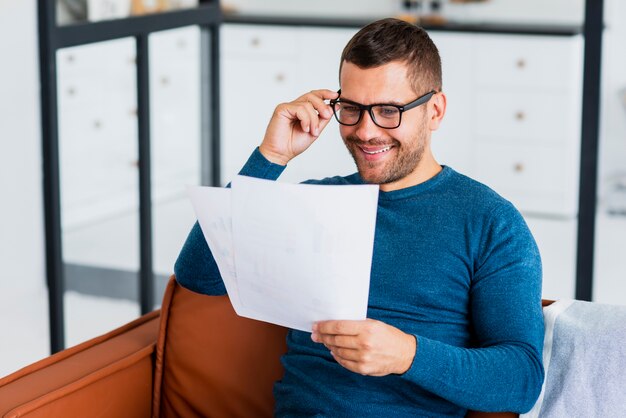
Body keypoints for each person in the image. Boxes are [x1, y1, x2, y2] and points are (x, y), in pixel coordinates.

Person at [174, 18, 544, 417]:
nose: (366, 131)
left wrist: (407, 355)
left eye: (388, 110)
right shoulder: (313, 201)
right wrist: (271, 157)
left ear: (434, 110)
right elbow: (198, 275)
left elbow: (521, 379)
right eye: (351, 109)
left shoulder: (491, 222)